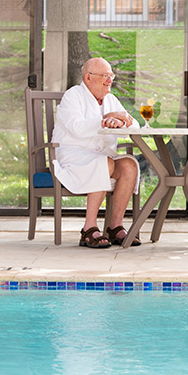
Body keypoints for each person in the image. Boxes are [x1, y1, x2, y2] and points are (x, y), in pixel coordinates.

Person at [51, 57, 141, 248]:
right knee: (105, 163)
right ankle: (89, 229)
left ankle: (115, 227)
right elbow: (77, 128)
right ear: (88, 77)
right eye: (105, 76)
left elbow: (136, 125)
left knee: (129, 165)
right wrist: (105, 119)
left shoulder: (111, 99)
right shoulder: (73, 96)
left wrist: (122, 121)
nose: (110, 80)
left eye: (111, 76)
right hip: (73, 155)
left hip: (104, 155)